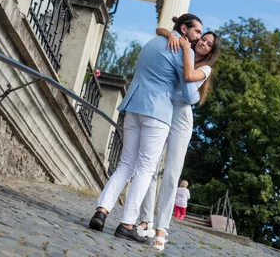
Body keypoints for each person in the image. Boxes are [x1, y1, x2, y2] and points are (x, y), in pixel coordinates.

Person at [88, 13, 203, 243]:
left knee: (126, 164)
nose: (198, 37)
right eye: (197, 31)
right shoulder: (184, 51)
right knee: (145, 168)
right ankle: (127, 223)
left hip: (134, 105)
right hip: (158, 112)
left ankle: (101, 210)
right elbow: (190, 95)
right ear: (184, 29)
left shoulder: (154, 41)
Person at [138, 23, 221, 251]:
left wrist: (186, 50)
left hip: (181, 120)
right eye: (202, 38)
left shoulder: (204, 69)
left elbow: (187, 88)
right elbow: (160, 30)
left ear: (211, 52)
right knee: (150, 165)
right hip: (162, 110)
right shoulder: (183, 49)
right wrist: (167, 33)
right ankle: (146, 220)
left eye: (209, 44)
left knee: (172, 174)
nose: (203, 42)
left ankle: (162, 228)